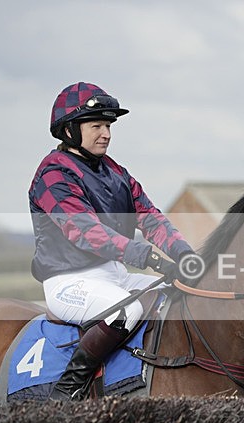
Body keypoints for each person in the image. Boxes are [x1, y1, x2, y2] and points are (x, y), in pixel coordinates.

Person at [29, 82, 201, 400]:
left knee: (172, 299)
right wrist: (144, 255)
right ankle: (67, 391)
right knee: (127, 312)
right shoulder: (53, 175)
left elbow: (150, 216)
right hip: (69, 281)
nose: (106, 133)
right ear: (69, 130)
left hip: (114, 275)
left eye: (108, 125)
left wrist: (183, 252)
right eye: (96, 125)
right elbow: (84, 231)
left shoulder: (115, 172)